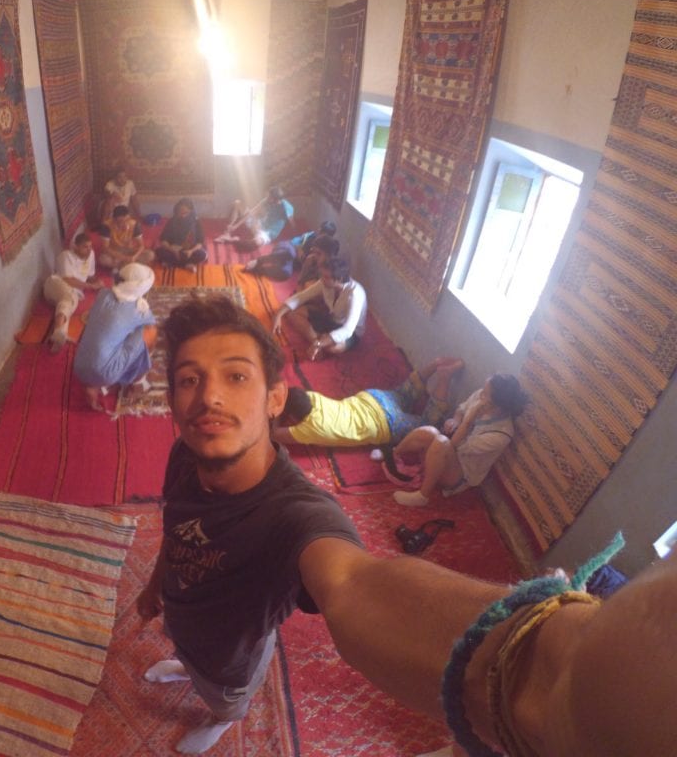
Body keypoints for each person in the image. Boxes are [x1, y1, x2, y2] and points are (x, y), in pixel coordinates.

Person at [137, 294, 677, 757]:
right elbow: (178, 527)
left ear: (275, 398)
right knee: (188, 655)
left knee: (224, 694)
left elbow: (356, 583)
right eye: (189, 379)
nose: (209, 397)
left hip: (230, 662)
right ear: (173, 403)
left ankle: (222, 717)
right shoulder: (187, 456)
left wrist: (551, 669)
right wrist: (156, 584)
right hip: (186, 625)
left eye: (236, 376)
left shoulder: (295, 515)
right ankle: (186, 665)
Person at [389, 373, 529, 507]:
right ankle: (393, 455)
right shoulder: (482, 396)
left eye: (485, 394)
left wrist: (467, 421)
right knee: (428, 432)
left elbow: (456, 446)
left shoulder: (501, 435)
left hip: (460, 472)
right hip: (449, 448)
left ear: (496, 406)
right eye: (483, 389)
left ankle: (422, 496)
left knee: (441, 442)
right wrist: (456, 419)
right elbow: (462, 409)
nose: (480, 394)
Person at [273, 357, 464, 448]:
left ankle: (445, 378)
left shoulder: (309, 429)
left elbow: (274, 434)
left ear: (293, 418)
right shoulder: (312, 398)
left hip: (386, 422)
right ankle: (436, 363)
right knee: (405, 391)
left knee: (428, 425)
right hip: (373, 398)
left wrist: (275, 414)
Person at [73, 262, 156, 412]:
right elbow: (151, 324)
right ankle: (137, 381)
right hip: (104, 373)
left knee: (111, 333)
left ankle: (92, 385)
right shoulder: (139, 309)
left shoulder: (103, 294)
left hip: (79, 365)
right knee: (148, 332)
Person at [272, 256, 366, 359]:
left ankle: (320, 342)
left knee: (334, 348)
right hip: (331, 318)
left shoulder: (355, 294)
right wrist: (278, 315)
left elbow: (348, 329)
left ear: (339, 279)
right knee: (293, 314)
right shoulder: (325, 283)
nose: (322, 279)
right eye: (322, 275)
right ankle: (316, 340)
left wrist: (320, 344)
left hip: (351, 332)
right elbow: (301, 297)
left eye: (326, 277)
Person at [41, 232, 101, 354]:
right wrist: (90, 286)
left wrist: (98, 282)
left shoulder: (91, 255)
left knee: (71, 302)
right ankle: (59, 331)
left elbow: (89, 276)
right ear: (75, 247)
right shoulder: (66, 256)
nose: (89, 250)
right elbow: (68, 280)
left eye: (90, 246)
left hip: (75, 291)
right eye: (85, 247)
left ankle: (59, 335)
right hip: (55, 284)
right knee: (68, 297)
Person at [244, 221, 339, 282]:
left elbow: (308, 265)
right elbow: (298, 250)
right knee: (289, 253)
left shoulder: (328, 249)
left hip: (294, 261)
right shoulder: (311, 236)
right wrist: (301, 253)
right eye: (322, 233)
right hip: (287, 247)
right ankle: (259, 261)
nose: (322, 237)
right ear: (319, 230)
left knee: (285, 273)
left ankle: (260, 270)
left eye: (326, 235)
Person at [216, 185, 294, 252]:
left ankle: (234, 240)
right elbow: (252, 212)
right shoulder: (267, 200)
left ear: (276, 200)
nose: (267, 198)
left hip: (268, 233)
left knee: (255, 243)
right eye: (268, 196)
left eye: (270, 197)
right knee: (238, 203)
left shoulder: (287, 207)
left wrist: (294, 234)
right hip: (258, 224)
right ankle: (227, 233)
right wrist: (235, 226)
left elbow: (291, 222)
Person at [99, 204, 154, 271]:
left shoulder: (134, 224)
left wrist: (134, 256)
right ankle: (128, 265)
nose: (125, 223)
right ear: (114, 220)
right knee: (103, 259)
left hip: (129, 250)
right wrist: (124, 258)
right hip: (115, 252)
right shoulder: (106, 226)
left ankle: (121, 266)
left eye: (127, 220)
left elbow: (141, 245)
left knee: (150, 254)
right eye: (121, 221)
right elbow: (106, 248)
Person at [156, 197, 207, 271]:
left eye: (186, 213)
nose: (183, 216)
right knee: (159, 252)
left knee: (202, 254)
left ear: (191, 211)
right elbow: (163, 240)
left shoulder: (196, 222)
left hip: (189, 250)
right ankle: (187, 264)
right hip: (173, 249)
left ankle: (173, 264)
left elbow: (200, 242)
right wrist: (172, 250)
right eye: (180, 212)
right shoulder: (172, 221)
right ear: (177, 210)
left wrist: (191, 251)